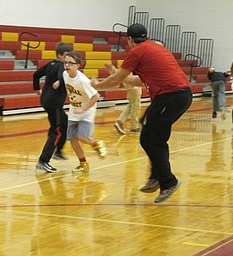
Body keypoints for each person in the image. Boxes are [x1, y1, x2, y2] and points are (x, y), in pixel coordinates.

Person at [91, 23, 193, 203]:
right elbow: (138, 80)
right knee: (153, 138)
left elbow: (116, 81)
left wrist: (97, 85)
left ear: (129, 39)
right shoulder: (155, 47)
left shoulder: (136, 52)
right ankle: (157, 175)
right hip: (180, 95)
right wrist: (117, 74)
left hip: (169, 96)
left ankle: (168, 181)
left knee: (149, 139)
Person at [63, 51, 107, 174]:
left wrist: (84, 108)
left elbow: (96, 96)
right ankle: (83, 163)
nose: (67, 65)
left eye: (70, 63)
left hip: (86, 111)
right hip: (74, 110)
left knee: (82, 137)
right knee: (72, 139)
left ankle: (96, 143)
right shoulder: (64, 75)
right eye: (65, 62)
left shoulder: (83, 80)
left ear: (78, 65)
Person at [33, 42, 73, 173]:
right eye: (67, 56)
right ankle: (43, 161)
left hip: (46, 99)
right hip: (54, 103)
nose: (69, 60)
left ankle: (59, 151)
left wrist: (36, 89)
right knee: (56, 132)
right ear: (60, 55)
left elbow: (36, 75)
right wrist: (59, 81)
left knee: (65, 122)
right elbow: (62, 75)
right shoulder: (62, 67)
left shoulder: (51, 64)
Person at [104, 63, 142, 134]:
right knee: (136, 105)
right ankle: (134, 127)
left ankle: (120, 122)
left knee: (131, 104)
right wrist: (133, 85)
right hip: (132, 83)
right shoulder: (134, 60)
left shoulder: (128, 61)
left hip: (130, 82)